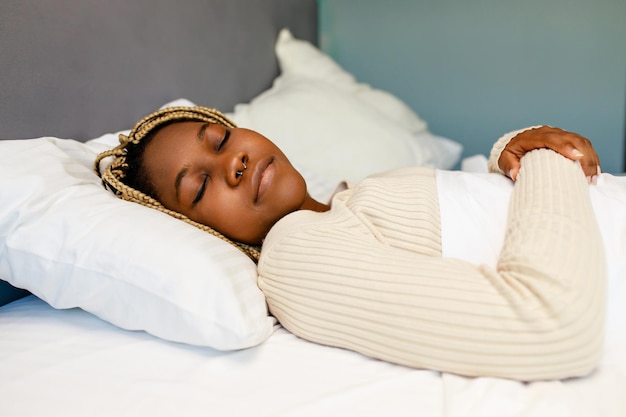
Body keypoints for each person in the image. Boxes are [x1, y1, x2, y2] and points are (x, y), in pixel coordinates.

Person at [95, 105, 608, 381]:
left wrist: (511, 153)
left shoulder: (346, 202)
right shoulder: (295, 255)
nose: (235, 163)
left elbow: (471, 217)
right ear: (192, 228)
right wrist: (546, 162)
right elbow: (552, 324)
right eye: (200, 186)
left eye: (223, 140)